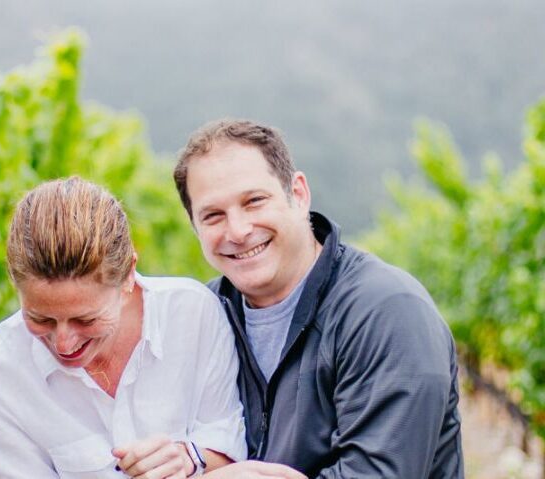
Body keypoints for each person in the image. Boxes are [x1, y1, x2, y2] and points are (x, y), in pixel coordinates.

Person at [172, 120, 464, 478]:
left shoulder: (386, 311)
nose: (238, 230)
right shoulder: (203, 316)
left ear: (298, 194)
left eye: (254, 201)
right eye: (213, 215)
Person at [0, 177, 248, 478]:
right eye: (41, 319)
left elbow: (231, 452)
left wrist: (189, 459)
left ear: (129, 275)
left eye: (86, 320)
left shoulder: (193, 313)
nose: (63, 344)